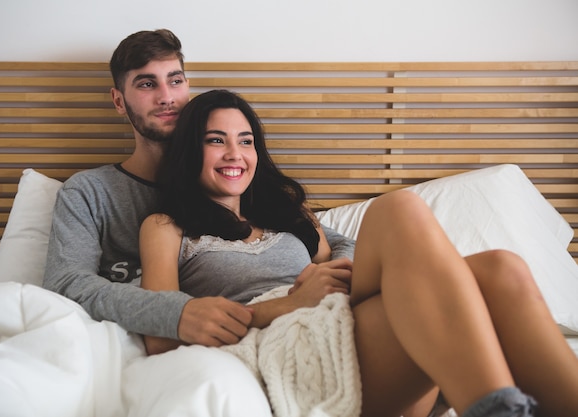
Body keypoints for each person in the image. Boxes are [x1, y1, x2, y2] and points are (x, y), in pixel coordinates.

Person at [139, 89, 578, 417]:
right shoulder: (165, 228)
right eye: (217, 140)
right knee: (400, 207)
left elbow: (339, 263)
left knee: (503, 267)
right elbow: (161, 340)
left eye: (246, 140)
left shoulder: (289, 214)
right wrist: (290, 303)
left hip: (340, 318)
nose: (235, 153)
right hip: (282, 346)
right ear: (189, 150)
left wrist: (334, 278)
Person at [43, 29, 354, 415]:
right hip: (216, 348)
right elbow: (67, 283)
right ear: (118, 101)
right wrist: (175, 314)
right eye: (146, 84)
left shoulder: (239, 184)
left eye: (175, 80)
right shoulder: (93, 193)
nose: (166, 97)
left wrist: (332, 279)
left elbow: (329, 240)